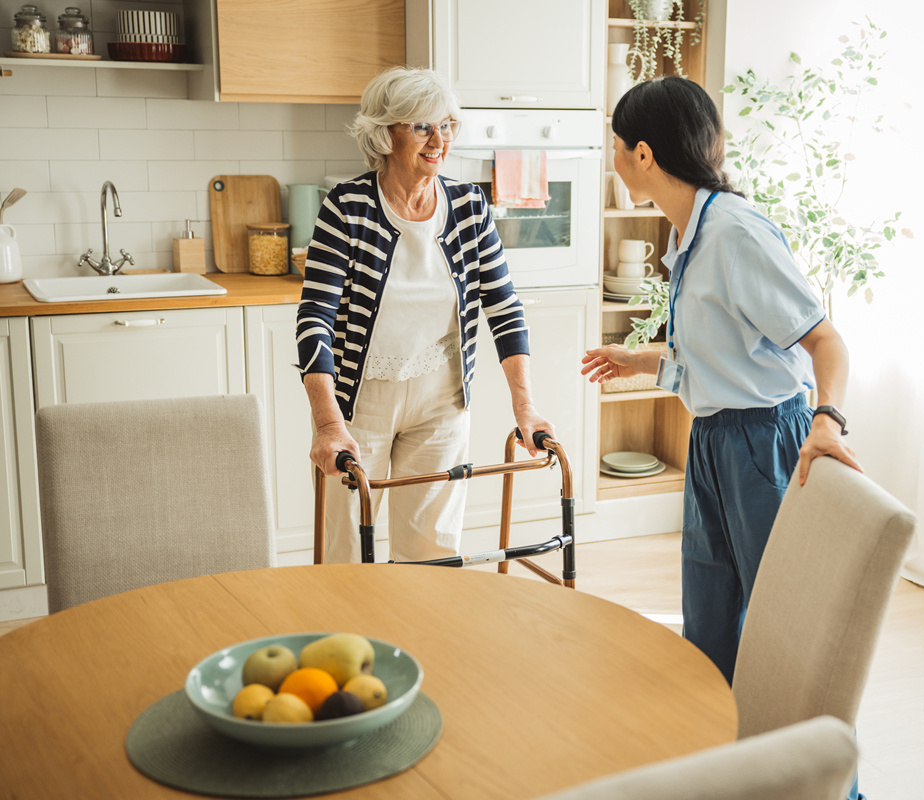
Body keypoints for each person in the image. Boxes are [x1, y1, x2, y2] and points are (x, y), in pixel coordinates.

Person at [581, 75, 866, 798]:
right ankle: (722, 769)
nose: (614, 156)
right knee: (709, 623)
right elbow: (728, 349)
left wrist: (826, 420)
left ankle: (832, 786)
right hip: (714, 442)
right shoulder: (690, 231)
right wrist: (644, 358)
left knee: (783, 635)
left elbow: (825, 343)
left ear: (643, 153)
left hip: (764, 444)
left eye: (617, 145)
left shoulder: (735, 232)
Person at [298, 66, 554, 565]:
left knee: (433, 552)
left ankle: (422, 642)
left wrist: (524, 406)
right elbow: (316, 319)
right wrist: (328, 423)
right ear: (385, 132)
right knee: (349, 548)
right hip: (360, 401)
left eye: (447, 124)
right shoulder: (346, 206)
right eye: (421, 126)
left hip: (441, 400)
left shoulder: (468, 204)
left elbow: (503, 305)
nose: (440, 140)